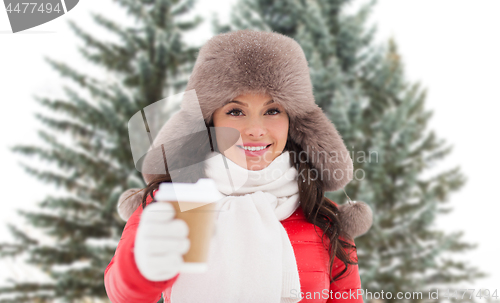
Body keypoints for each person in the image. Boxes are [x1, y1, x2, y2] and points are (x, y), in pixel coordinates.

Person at [105, 29, 372, 303]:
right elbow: (123, 295)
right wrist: (142, 265)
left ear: (294, 122)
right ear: (210, 122)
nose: (256, 130)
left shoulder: (324, 218)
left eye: (272, 111)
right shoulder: (170, 203)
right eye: (235, 111)